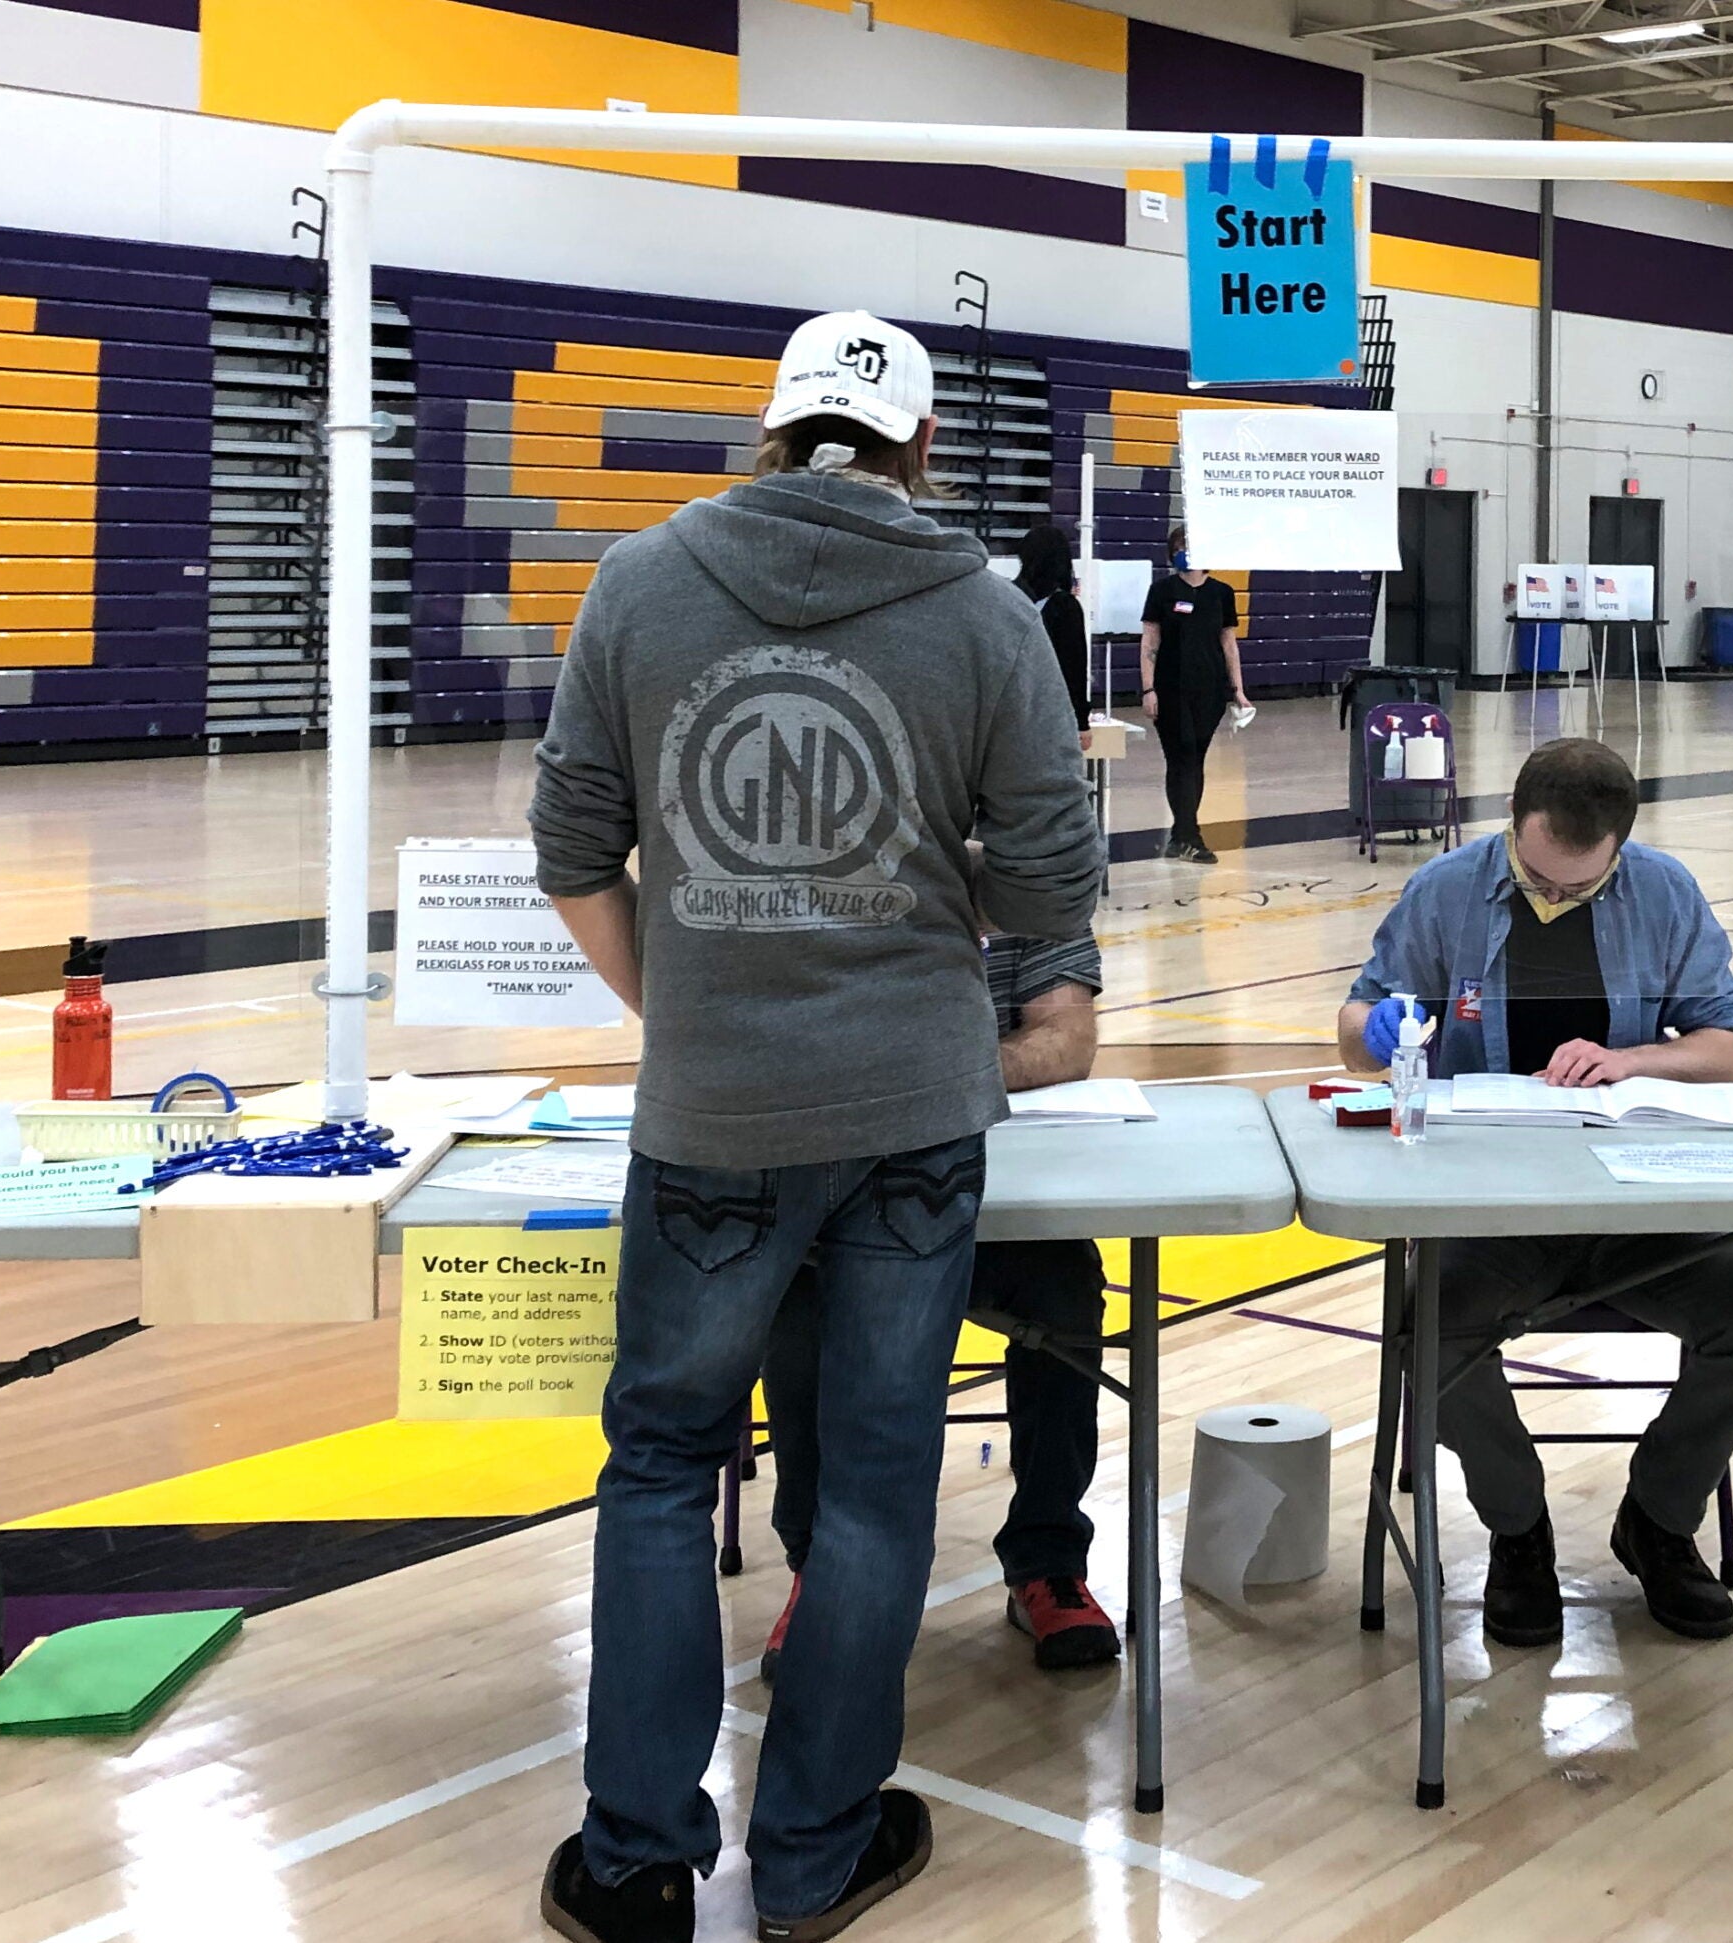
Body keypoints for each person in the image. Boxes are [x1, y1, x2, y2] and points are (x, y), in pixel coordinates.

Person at [529, 308, 1102, 1943]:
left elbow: (574, 843)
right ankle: (814, 1854)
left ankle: (636, 1858)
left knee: (658, 1462)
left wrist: (683, 1011)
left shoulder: (642, 580)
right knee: (869, 1474)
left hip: (708, 1112)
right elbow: (1056, 875)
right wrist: (919, 896)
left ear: (767, 429)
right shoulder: (983, 611)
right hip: (917, 1109)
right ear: (921, 446)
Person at [1336, 737, 1733, 1650]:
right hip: (1487, 1212)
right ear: (1512, 826)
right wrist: (1376, 1026)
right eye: (1538, 880)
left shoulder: (1664, 891)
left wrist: (1631, 1060)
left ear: (1618, 850)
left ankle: (1659, 1518)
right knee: (1428, 1340)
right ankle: (1518, 1529)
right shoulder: (1447, 889)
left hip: (1636, 1213)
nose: (1553, 899)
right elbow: (1359, 1024)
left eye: (1577, 890)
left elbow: (1731, 1044)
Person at [759, 928, 1118, 1684]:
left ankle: (1047, 1559)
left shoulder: (1024, 887)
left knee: (1065, 1290)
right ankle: (820, 1566)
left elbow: (1067, 1041)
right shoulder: (827, 880)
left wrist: (928, 1075)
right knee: (799, 1302)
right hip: (842, 1194)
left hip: (991, 1190)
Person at [1138, 524, 1248, 865]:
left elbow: (1228, 643)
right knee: (1181, 754)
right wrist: (1147, 688)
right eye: (1179, 546)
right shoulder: (1162, 590)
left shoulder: (1221, 593)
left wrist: (1238, 690)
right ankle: (1190, 836)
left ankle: (1180, 835)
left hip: (1210, 688)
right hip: (1170, 688)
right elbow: (1149, 642)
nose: (1183, 552)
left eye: (1189, 545)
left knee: (1194, 759)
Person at [1014, 524, 1092, 754]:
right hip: (1051, 708)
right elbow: (1074, 668)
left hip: (1010, 705)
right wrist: (1081, 721)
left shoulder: (1007, 597)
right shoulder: (1065, 606)